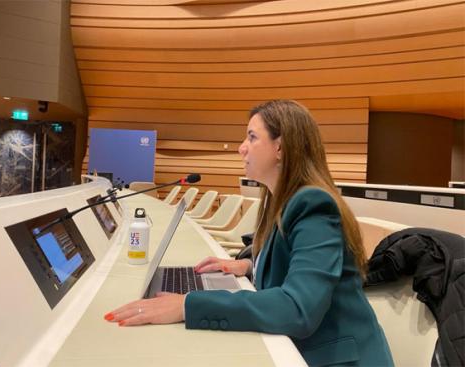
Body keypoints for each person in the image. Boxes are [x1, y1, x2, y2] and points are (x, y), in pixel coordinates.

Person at [104, 100, 394, 366]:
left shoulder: (313, 205)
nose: (242, 147)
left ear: (280, 148)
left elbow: (298, 309)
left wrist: (187, 305)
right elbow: (295, 259)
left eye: (252, 137)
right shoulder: (281, 200)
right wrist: (248, 265)